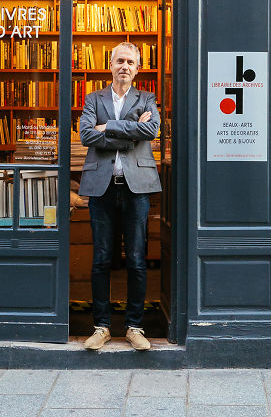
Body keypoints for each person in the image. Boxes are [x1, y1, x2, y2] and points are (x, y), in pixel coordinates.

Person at [78, 41, 161, 351]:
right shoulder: (93, 98)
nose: (124, 66)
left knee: (137, 260)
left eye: (130, 62)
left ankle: (134, 327)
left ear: (137, 69)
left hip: (136, 187)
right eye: (119, 61)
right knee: (100, 260)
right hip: (102, 188)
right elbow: (86, 134)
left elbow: (151, 130)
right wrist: (129, 130)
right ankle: (101, 327)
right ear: (109, 65)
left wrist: (108, 127)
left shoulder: (147, 98)